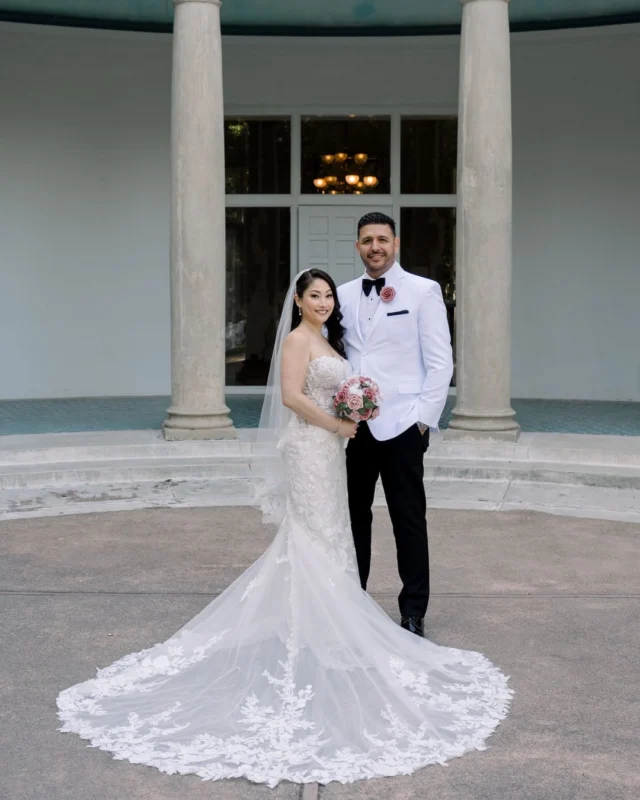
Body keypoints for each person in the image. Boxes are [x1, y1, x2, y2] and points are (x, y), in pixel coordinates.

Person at [57, 269, 511, 788]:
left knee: (344, 529)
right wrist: (342, 424)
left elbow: (431, 360)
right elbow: (294, 397)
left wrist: (399, 414)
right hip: (318, 447)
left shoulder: (353, 324)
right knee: (317, 533)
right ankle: (317, 625)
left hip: (360, 439)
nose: (322, 302)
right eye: (313, 295)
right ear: (297, 300)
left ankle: (361, 614)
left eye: (325, 296)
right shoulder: (299, 339)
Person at [339, 212, 454, 638]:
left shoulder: (423, 291)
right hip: (353, 428)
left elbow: (441, 361)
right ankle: (353, 601)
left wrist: (424, 420)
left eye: (382, 239)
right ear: (357, 246)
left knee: (408, 519)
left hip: (405, 425)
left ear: (396, 243)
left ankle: (413, 611)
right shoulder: (343, 295)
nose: (375, 247)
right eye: (367, 240)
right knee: (353, 518)